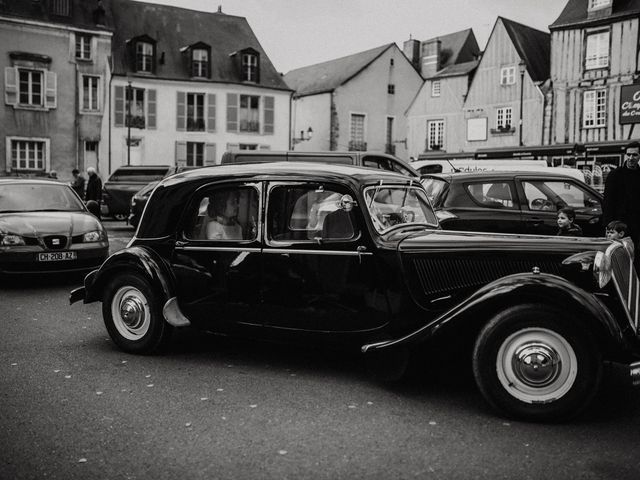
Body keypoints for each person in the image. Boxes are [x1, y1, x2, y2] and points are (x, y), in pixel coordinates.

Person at [603, 140, 640, 245]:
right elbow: (607, 202)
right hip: (618, 225)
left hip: (636, 225)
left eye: (634, 155)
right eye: (628, 154)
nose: (631, 158)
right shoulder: (615, 175)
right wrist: (608, 226)